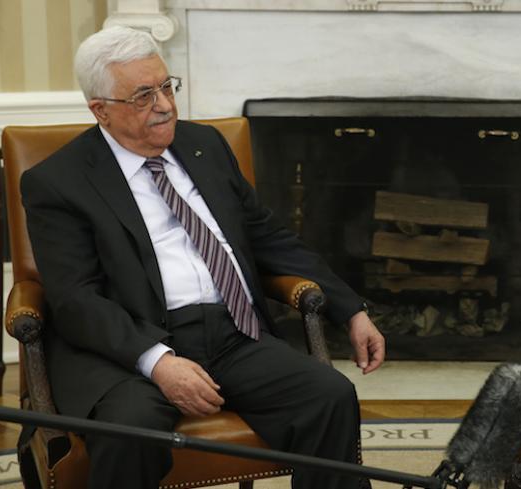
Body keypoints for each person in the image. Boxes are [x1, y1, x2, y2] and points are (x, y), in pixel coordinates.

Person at [21, 26, 385, 489]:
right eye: (143, 96)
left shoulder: (205, 145)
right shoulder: (58, 182)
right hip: (127, 347)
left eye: (166, 86)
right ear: (101, 111)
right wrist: (157, 361)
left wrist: (350, 309)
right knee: (131, 429)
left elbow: (267, 236)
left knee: (329, 395)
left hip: (231, 332)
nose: (165, 105)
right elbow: (76, 300)